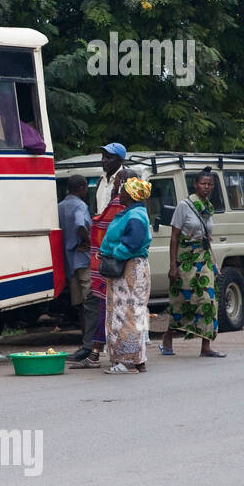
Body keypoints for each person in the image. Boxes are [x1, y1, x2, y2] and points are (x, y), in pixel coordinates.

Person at [69, 161, 132, 370]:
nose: (114, 186)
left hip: (117, 266)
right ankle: (101, 352)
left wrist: (109, 252)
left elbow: (128, 240)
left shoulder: (124, 209)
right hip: (109, 265)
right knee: (108, 308)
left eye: (118, 183)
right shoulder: (121, 207)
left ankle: (111, 354)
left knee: (113, 310)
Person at [159, 167, 225, 359]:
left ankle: (206, 346)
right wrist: (173, 266)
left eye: (210, 184)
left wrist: (214, 263)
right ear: (195, 185)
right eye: (203, 183)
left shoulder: (208, 207)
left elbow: (206, 236)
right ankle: (168, 337)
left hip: (203, 259)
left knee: (208, 300)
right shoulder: (184, 206)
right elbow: (174, 238)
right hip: (185, 261)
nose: (206, 187)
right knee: (182, 302)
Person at [100, 176, 153, 375]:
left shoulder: (135, 217)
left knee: (125, 314)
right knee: (134, 313)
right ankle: (138, 359)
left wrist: (114, 254)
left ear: (131, 195)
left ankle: (127, 362)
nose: (119, 194)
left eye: (123, 191)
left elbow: (132, 243)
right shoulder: (134, 213)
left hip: (129, 269)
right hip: (131, 268)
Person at [59, 175, 95, 362]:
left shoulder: (60, 206)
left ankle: (85, 341)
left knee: (80, 305)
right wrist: (87, 241)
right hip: (82, 260)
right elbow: (81, 223)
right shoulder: (80, 206)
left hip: (69, 262)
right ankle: (91, 344)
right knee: (90, 304)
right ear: (81, 188)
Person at [95, 142, 127, 213]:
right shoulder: (101, 180)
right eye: (103, 156)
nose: (103, 160)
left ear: (120, 160)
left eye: (108, 157)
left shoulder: (127, 179)